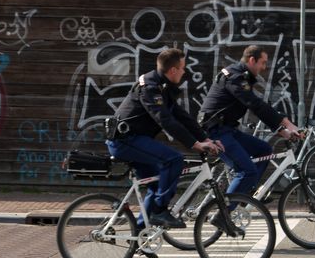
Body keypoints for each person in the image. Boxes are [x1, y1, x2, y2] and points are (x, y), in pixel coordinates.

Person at [106, 48, 224, 233]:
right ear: (173, 70)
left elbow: (182, 117)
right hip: (125, 141)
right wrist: (195, 144)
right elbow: (165, 120)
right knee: (174, 159)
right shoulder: (150, 88)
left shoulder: (162, 86)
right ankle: (160, 211)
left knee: (156, 186)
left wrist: (206, 138)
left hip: (136, 141)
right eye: (183, 68)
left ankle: (138, 235)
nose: (185, 72)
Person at [199, 45, 302, 198]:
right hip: (215, 130)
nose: (264, 67)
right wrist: (288, 124)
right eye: (263, 62)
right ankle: (225, 214)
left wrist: (284, 132)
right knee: (246, 171)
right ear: (252, 60)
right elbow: (255, 105)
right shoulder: (234, 77)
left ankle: (244, 193)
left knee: (264, 150)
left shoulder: (242, 77)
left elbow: (258, 107)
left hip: (228, 129)